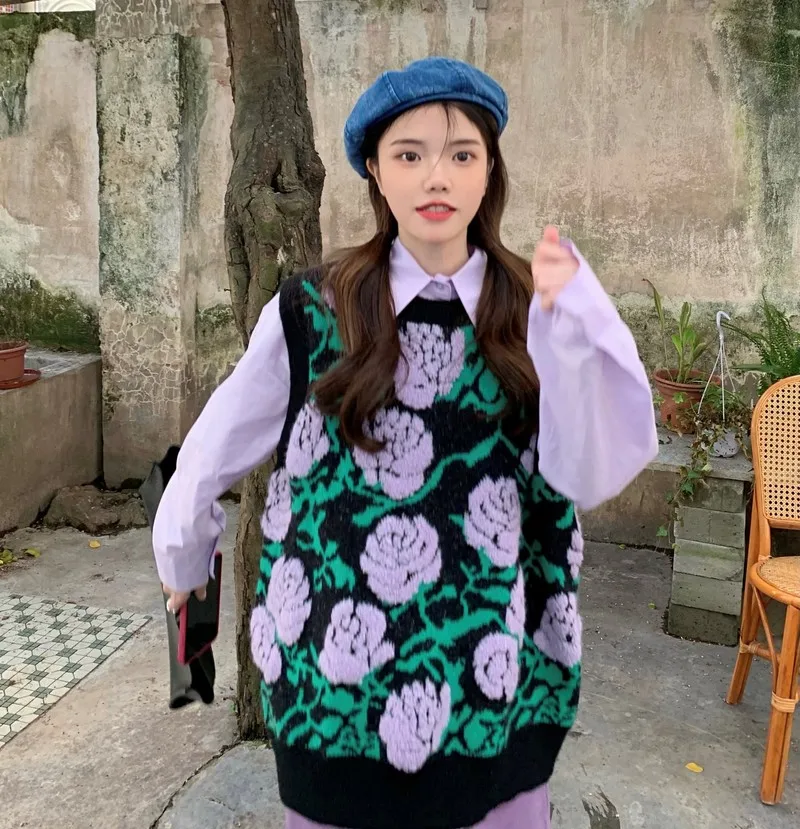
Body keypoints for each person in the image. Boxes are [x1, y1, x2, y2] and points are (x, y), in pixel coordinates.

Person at [153, 57, 658, 829]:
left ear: (489, 171)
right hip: (335, 696)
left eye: (462, 154)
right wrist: (184, 562)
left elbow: (593, 464)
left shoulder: (539, 311)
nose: (437, 177)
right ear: (375, 173)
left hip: (499, 690)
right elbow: (208, 454)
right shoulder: (311, 312)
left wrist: (587, 330)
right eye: (410, 154)